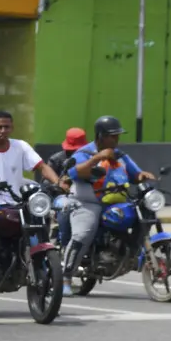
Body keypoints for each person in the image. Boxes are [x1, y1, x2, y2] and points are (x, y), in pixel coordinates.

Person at [0, 111, 61, 290]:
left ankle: (43, 265)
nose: (2, 130)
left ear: (12, 128)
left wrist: (58, 182)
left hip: (18, 202)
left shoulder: (20, 146)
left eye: (6, 127)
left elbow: (42, 166)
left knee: (41, 220)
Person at [62, 115, 155, 296]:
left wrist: (142, 175)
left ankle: (131, 254)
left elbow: (134, 174)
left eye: (117, 135)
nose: (116, 139)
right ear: (100, 136)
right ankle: (66, 277)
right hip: (89, 202)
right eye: (112, 136)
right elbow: (74, 173)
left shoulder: (120, 155)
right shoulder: (84, 153)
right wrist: (97, 158)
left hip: (117, 202)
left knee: (143, 215)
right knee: (84, 233)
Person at [48, 127, 87, 248]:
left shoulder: (90, 158)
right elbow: (45, 183)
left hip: (86, 195)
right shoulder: (56, 159)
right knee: (64, 208)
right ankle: (62, 246)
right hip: (62, 197)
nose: (75, 152)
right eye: (73, 150)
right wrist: (59, 185)